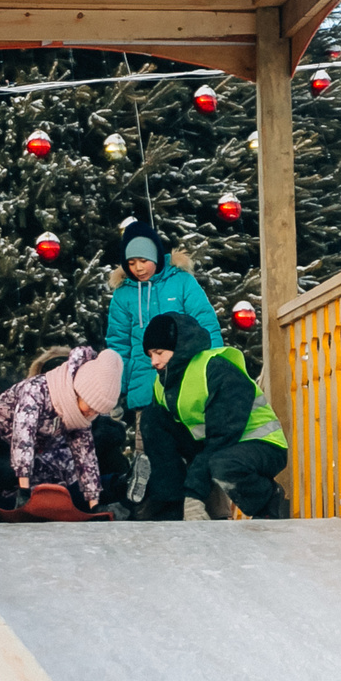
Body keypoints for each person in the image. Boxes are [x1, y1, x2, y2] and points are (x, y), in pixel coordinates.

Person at [101, 217, 222, 516]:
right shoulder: (123, 295)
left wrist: (214, 368)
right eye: (131, 262)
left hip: (187, 381)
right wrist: (116, 388)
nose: (138, 268)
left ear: (156, 256)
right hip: (146, 387)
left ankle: (216, 509)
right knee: (149, 450)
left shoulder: (180, 282)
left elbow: (206, 324)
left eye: (144, 260)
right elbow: (119, 346)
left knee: (200, 443)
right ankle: (155, 508)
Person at [139, 311, 291, 520]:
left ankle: (268, 501)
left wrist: (193, 496)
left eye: (159, 352)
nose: (153, 362)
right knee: (151, 418)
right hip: (212, 444)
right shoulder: (163, 383)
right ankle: (169, 506)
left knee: (222, 465)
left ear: (179, 347)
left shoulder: (217, 370)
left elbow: (221, 438)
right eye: (150, 355)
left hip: (260, 443)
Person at [0, 345, 123, 523]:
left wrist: (94, 504)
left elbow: (86, 458)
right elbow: (24, 436)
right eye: (91, 407)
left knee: (56, 465)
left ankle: (122, 486)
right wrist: (25, 491)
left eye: (97, 412)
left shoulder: (80, 415)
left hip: (29, 456)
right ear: (79, 391)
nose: (91, 414)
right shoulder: (36, 391)